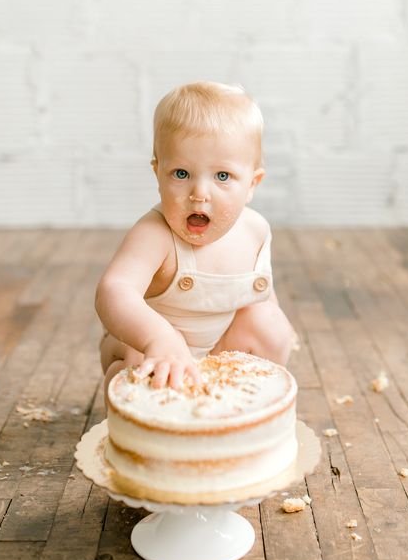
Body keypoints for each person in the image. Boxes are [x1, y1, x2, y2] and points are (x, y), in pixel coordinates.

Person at [96, 81, 295, 394]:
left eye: (222, 176)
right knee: (136, 361)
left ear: (252, 184)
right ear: (157, 173)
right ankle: (139, 421)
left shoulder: (254, 231)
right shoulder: (155, 235)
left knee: (270, 323)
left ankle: (246, 404)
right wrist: (157, 338)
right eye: (181, 174)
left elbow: (259, 292)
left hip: (220, 353)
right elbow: (114, 290)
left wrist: (275, 329)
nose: (199, 194)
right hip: (153, 348)